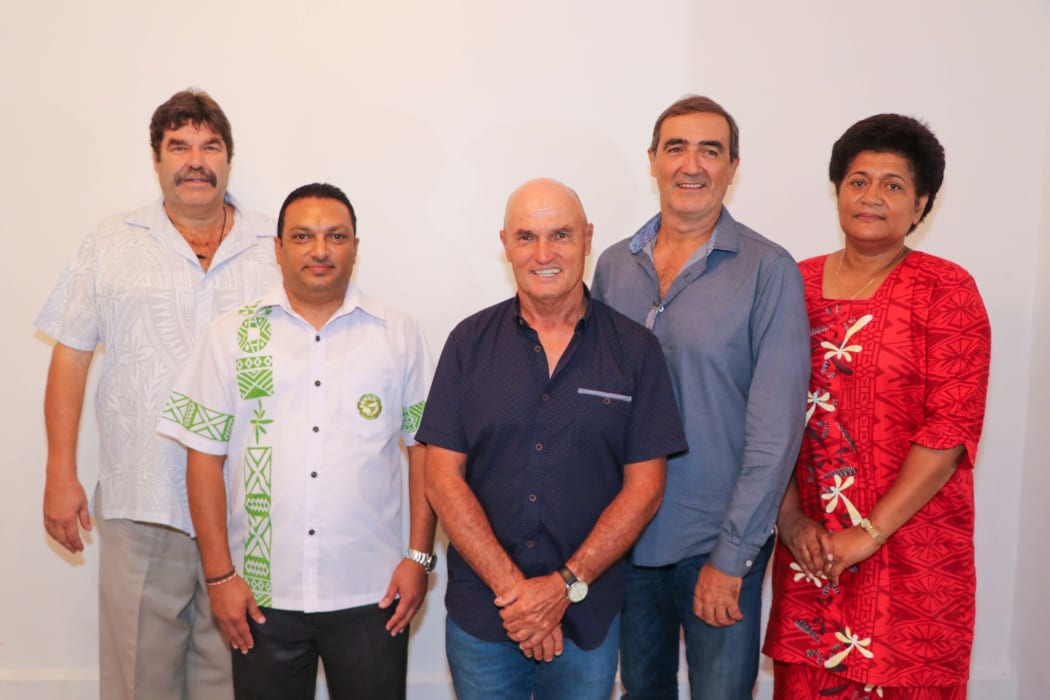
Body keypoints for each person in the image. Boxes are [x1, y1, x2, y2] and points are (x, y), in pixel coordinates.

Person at [36, 89, 279, 700]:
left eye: (209, 146)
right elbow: (70, 355)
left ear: (228, 157)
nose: (195, 160)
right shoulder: (111, 242)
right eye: (179, 146)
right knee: (139, 679)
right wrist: (59, 473)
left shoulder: (276, 246)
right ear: (156, 159)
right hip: (143, 497)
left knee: (235, 678)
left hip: (250, 505)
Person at [157, 182, 436, 700]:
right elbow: (202, 458)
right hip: (261, 596)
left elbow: (425, 452)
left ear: (356, 246)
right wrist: (219, 578)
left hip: (372, 594)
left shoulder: (397, 334)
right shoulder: (229, 334)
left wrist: (419, 558)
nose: (320, 250)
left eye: (336, 236)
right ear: (278, 248)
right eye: (303, 236)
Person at [418, 178, 687, 699]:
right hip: (485, 614)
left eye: (560, 235)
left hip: (587, 616)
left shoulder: (635, 350)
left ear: (588, 239)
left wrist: (562, 585)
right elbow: (441, 478)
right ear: (505, 244)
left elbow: (646, 489)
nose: (544, 253)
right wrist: (517, 594)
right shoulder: (468, 343)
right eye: (526, 237)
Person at [763, 114, 991, 699]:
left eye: (893, 185)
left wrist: (867, 534)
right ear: (838, 190)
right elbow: (764, 414)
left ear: (920, 206)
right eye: (858, 180)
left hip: (913, 557)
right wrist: (789, 518)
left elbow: (950, 428)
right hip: (811, 553)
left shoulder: (947, 290)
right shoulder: (792, 284)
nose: (871, 197)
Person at [591, 95, 810, 700]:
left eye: (710, 150)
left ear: (733, 167)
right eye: (676, 148)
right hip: (627, 538)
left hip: (716, 538)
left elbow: (776, 431)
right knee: (641, 690)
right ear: (653, 161)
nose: (692, 164)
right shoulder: (612, 266)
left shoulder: (769, 271)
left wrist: (732, 557)